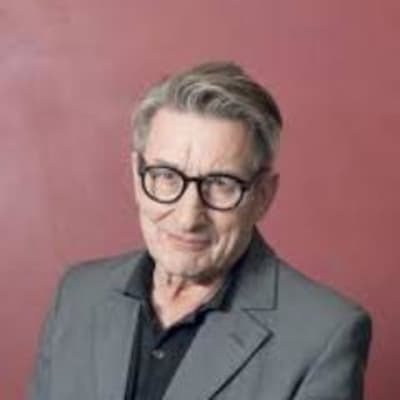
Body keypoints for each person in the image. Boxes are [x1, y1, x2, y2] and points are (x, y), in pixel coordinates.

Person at [29, 61, 372, 400]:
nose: (188, 218)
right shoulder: (76, 296)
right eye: (166, 176)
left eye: (221, 184)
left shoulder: (323, 337)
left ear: (263, 196)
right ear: (136, 175)